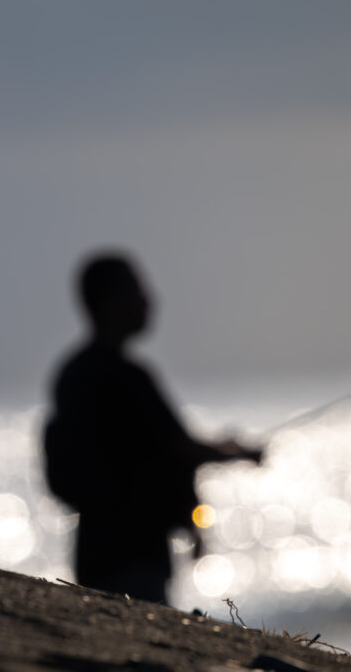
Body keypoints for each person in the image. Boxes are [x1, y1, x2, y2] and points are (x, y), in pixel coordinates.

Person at [43, 251, 260, 603]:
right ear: (110, 302)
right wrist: (238, 453)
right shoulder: (127, 377)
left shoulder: (74, 373)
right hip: (135, 552)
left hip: (94, 550)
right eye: (137, 290)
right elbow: (177, 447)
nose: (149, 300)